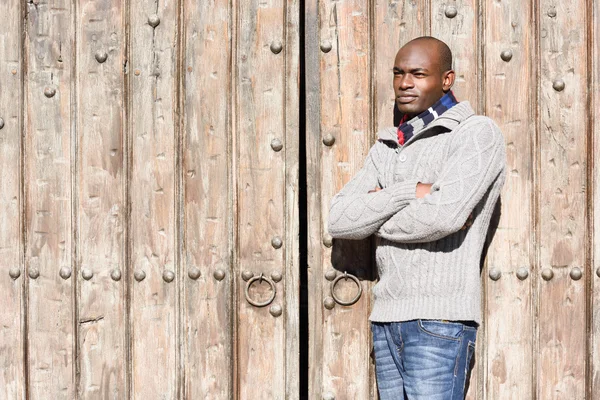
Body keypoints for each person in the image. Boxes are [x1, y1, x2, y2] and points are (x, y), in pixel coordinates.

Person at [327, 36, 506, 399]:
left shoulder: (475, 134)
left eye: (418, 74)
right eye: (398, 73)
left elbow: (443, 217)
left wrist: (374, 216)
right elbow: (340, 218)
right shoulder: (388, 146)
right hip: (386, 319)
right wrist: (408, 192)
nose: (405, 83)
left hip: (439, 322)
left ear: (446, 79)